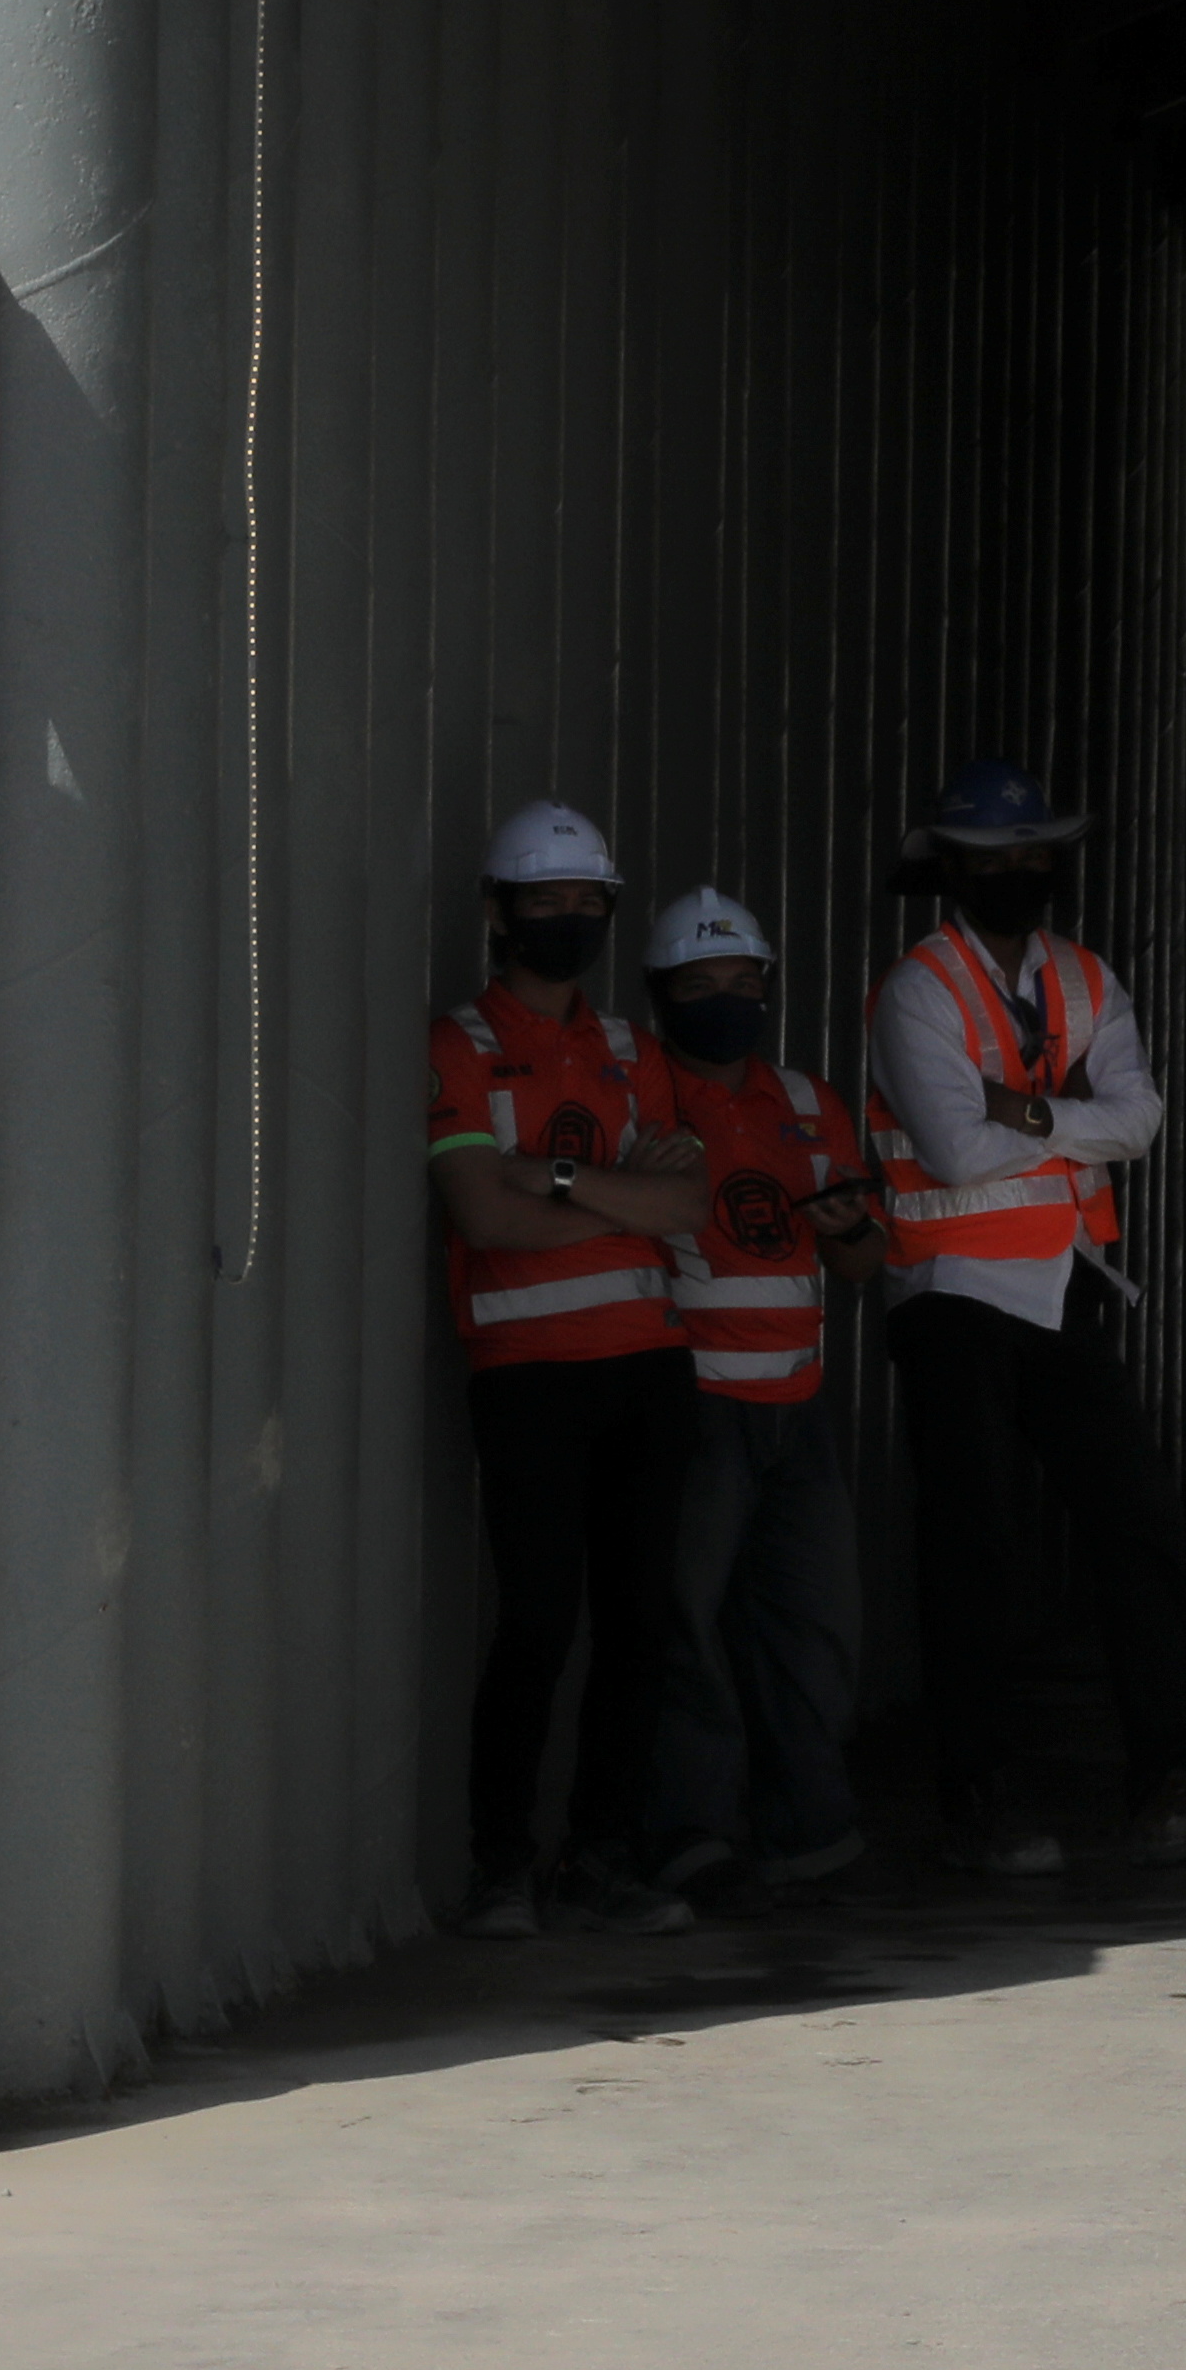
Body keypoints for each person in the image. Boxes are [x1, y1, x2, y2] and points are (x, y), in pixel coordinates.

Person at [864, 755, 1186, 1871]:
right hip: (955, 1296)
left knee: (1139, 1532)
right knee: (976, 1553)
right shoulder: (918, 991)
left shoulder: (1086, 980)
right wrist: (1071, 1116)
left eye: (1034, 854)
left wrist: (1022, 1106)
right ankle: (979, 1797)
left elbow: (1141, 1120)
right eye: (995, 858)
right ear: (953, 870)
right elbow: (952, 1151)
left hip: (1062, 1290)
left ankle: (1173, 1780)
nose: (1019, 871)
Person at [425, 799, 714, 1942]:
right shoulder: (459, 1044)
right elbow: (476, 1216)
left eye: (585, 904)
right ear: (497, 915)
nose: (566, 921)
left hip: (647, 1373)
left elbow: (685, 1204)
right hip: (526, 1373)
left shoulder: (636, 1050)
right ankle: (501, 1866)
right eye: (543, 904)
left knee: (640, 1624)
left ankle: (603, 1857)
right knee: (539, 1623)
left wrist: (545, 1177)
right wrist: (607, 1196)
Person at [635, 886, 888, 1905]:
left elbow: (868, 1260)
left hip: (797, 1406)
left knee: (813, 1627)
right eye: (702, 985)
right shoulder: (641, 1096)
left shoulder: (803, 1103)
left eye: (745, 983)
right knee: (683, 1630)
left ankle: (807, 1832)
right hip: (691, 1401)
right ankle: (694, 1840)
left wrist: (843, 1228)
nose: (728, 1002)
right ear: (661, 997)